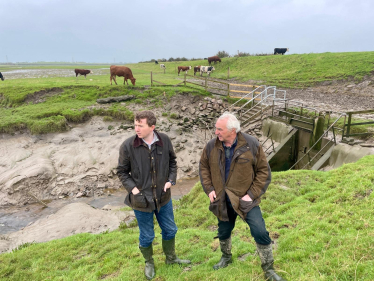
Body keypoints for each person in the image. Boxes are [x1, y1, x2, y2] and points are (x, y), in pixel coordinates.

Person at [199, 112, 286, 281]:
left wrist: (251, 195)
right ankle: (226, 257)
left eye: (219, 129)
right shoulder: (211, 146)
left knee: (260, 231)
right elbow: (203, 166)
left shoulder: (251, 144)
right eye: (216, 129)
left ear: (232, 130)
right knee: (223, 231)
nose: (216, 132)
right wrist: (209, 188)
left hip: (246, 200)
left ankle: (268, 269)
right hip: (222, 200)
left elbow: (263, 171)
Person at [117, 111, 190, 280]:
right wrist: (134, 190)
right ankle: (149, 262)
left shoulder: (164, 140)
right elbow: (121, 172)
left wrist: (171, 180)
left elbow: (172, 162)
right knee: (147, 235)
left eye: (140, 125)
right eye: (135, 125)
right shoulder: (128, 145)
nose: (136, 128)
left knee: (170, 230)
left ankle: (171, 259)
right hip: (141, 200)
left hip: (163, 197)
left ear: (152, 127)